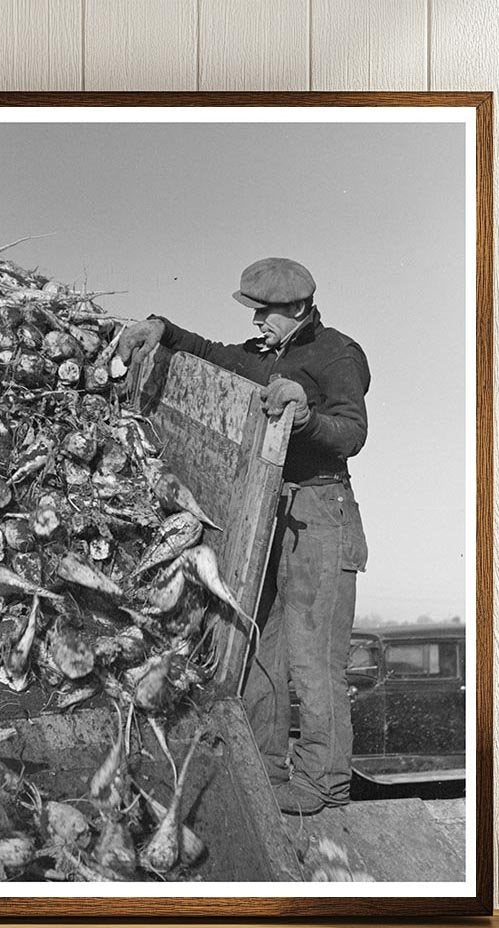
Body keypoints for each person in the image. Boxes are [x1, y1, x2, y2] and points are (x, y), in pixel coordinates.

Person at [117, 257, 369, 815]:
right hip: (266, 508)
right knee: (259, 644)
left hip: (319, 509)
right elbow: (213, 354)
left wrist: (305, 418)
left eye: (267, 313)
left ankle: (324, 782)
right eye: (253, 312)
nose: (258, 322)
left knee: (313, 654)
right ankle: (266, 767)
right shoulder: (260, 357)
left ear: (300, 308)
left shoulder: (337, 354)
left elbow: (351, 433)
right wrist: (163, 329)